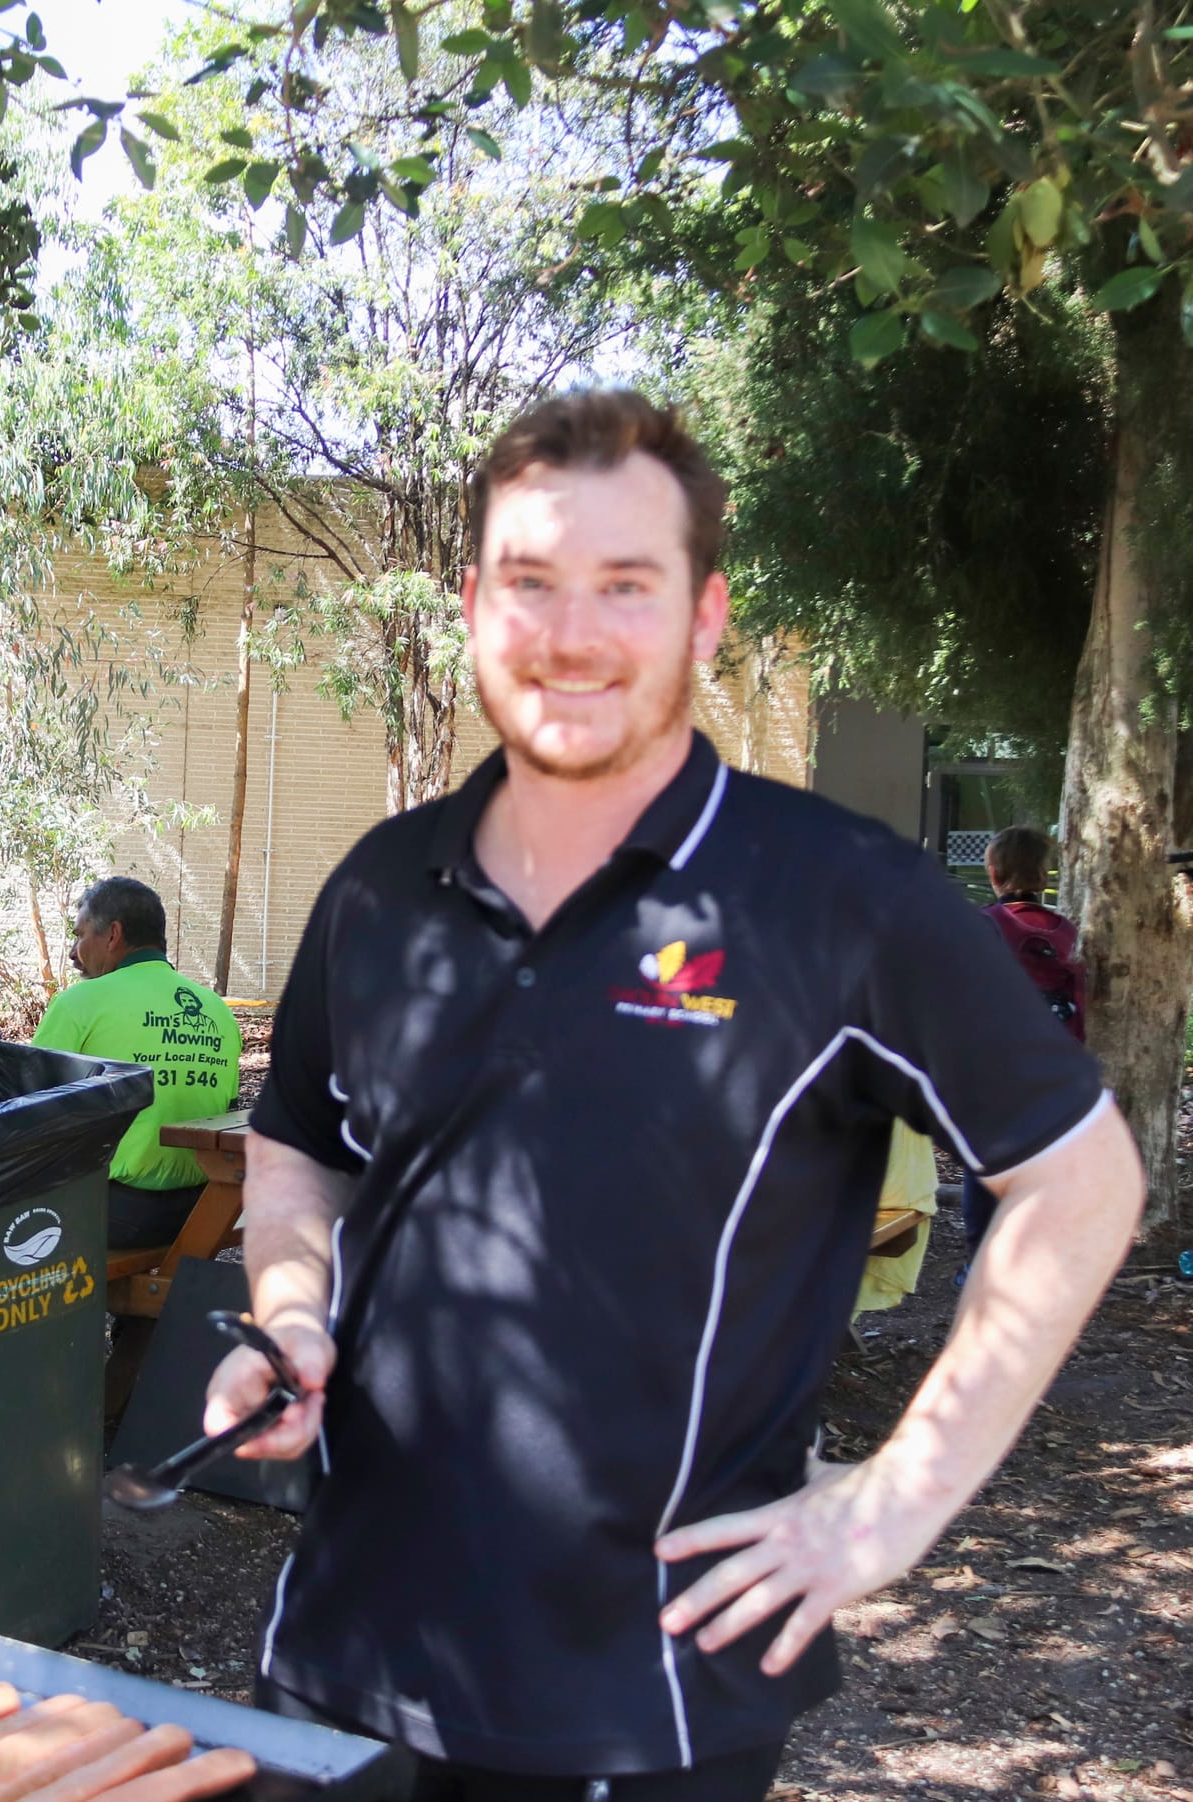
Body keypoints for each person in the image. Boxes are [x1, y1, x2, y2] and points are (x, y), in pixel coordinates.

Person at [205, 391, 1140, 1802]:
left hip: (647, 1692)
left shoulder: (839, 898)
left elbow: (1081, 1180)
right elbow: (293, 1159)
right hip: (346, 1650)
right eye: (531, 582)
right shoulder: (383, 886)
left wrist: (893, 1503)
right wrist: (288, 1320)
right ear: (472, 604)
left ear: (704, 616)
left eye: (624, 586)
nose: (571, 632)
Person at [32, 878, 242, 1248]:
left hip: (113, 1212)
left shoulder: (79, 1003)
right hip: (205, 1210)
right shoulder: (217, 1011)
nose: (73, 952)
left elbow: (25, 1108)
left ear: (113, 935)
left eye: (80, 935)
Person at [958, 824, 1086, 1281]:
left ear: (992, 872)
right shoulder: (1066, 931)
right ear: (1044, 873)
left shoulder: (980, 924)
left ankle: (981, 1261)